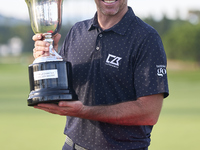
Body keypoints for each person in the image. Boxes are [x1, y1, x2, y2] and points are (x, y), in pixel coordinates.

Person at [33, 0, 169, 150]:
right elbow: (59, 90)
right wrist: (48, 57)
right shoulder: (77, 31)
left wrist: (84, 111)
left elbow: (149, 113)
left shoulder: (146, 38)